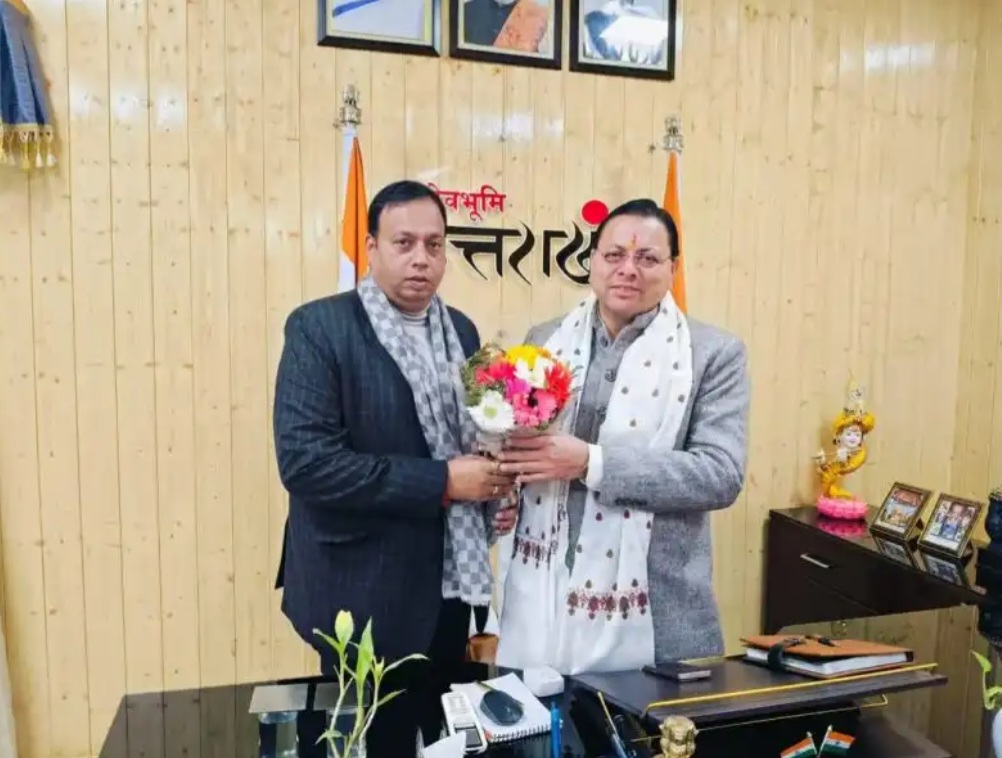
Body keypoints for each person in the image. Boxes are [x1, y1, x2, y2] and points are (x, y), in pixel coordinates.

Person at [272, 180, 517, 756]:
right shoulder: (319, 328)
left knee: (445, 736)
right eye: (403, 243)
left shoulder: (461, 331)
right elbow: (306, 463)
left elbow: (470, 436)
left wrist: (493, 488)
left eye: (434, 245)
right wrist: (445, 482)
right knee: (373, 740)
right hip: (360, 586)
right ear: (371, 247)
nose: (421, 259)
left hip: (450, 584)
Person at [494, 198, 749, 675]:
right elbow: (521, 444)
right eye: (614, 255)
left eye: (647, 258)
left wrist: (591, 463)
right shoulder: (545, 340)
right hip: (540, 601)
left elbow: (720, 474)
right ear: (592, 260)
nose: (628, 269)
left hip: (657, 613)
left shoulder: (711, 354)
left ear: (673, 268)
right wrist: (504, 485)